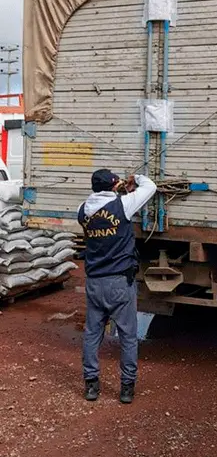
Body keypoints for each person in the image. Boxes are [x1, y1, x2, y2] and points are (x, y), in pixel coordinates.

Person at [79, 169, 157, 404]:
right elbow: (150, 187)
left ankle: (91, 385)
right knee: (128, 336)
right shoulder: (122, 206)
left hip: (94, 282)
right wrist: (137, 177)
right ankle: (126, 388)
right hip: (119, 283)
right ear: (114, 187)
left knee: (92, 334)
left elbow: (100, 207)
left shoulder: (82, 210)